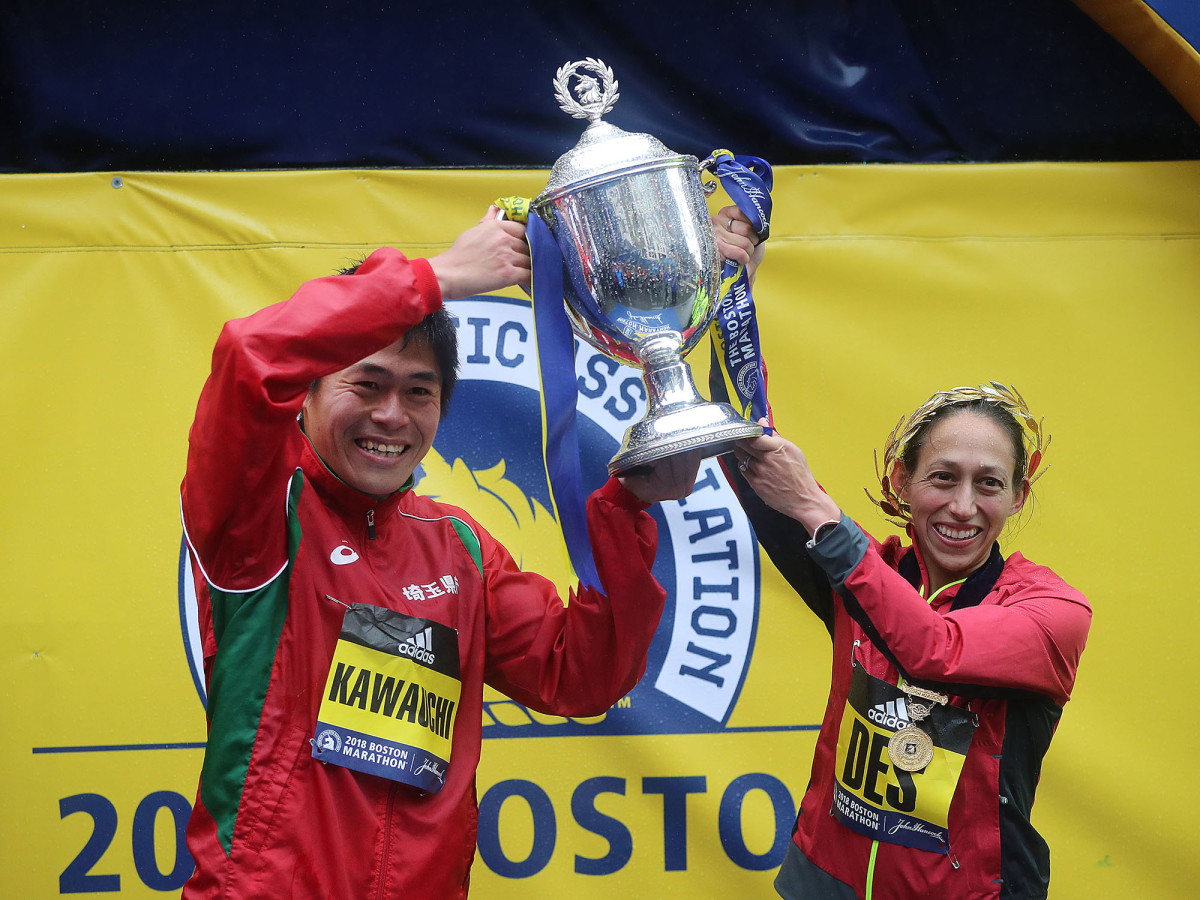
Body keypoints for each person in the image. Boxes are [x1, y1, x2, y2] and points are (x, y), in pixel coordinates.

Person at [178, 207, 701, 899]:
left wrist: (629, 506)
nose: (392, 415)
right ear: (305, 396)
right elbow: (252, 356)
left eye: (418, 392)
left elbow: (581, 675)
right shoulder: (259, 519)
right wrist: (437, 279)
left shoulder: (457, 545)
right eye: (366, 384)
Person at [713, 367, 1092, 898]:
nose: (963, 507)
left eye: (989, 483)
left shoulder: (1052, 612)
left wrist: (820, 515)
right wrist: (731, 299)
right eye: (942, 477)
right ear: (901, 481)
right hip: (823, 882)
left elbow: (936, 649)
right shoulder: (866, 572)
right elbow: (749, 451)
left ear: (1018, 495)